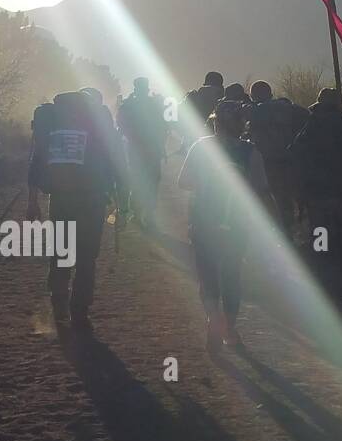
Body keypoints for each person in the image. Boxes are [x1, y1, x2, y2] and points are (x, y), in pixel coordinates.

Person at [178, 95, 275, 352]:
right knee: (232, 273)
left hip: (203, 221)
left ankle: (213, 318)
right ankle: (230, 328)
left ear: (216, 123)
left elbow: (183, 182)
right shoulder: (250, 152)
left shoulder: (200, 146)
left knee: (207, 273)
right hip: (236, 223)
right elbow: (262, 190)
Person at [27, 86, 123, 330]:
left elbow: (37, 161)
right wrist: (121, 201)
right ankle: (80, 309)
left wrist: (32, 200)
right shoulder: (100, 127)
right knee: (87, 257)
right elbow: (115, 165)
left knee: (61, 251)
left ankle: (58, 303)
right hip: (93, 200)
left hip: (61, 199)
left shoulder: (54, 126)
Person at [289, 87, 342, 292]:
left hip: (319, 196)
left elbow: (296, 159)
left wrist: (300, 191)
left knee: (321, 237)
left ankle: (324, 277)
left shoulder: (309, 129)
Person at [247, 79, 309, 233]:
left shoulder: (252, 111)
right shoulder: (290, 109)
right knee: (289, 200)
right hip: (289, 162)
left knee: (271, 202)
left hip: (266, 164)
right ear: (270, 94)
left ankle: (279, 233)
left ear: (253, 96)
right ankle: (294, 231)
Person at [117, 76, 168, 229]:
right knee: (150, 181)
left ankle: (140, 213)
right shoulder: (153, 105)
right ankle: (145, 213)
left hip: (137, 148)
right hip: (147, 148)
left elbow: (121, 125)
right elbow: (162, 128)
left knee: (141, 180)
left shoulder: (129, 104)